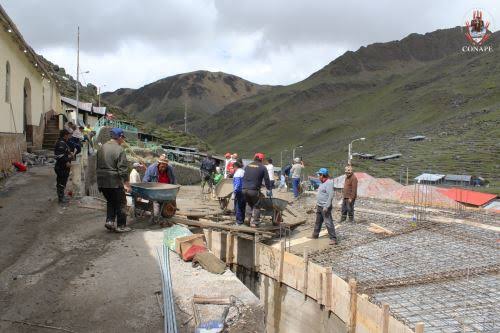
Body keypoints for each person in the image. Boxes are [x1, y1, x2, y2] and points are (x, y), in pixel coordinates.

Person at [96, 128, 131, 232]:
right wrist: (126, 183)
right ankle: (121, 226)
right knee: (121, 202)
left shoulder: (101, 148)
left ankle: (110, 221)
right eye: (122, 138)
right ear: (119, 137)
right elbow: (123, 169)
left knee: (110, 201)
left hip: (102, 181)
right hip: (114, 182)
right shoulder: (119, 150)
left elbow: (97, 164)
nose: (123, 140)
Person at [143, 155, 176, 222]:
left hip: (166, 192)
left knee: (168, 210)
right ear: (158, 163)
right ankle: (155, 218)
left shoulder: (170, 169)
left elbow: (173, 180)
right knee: (155, 213)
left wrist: (173, 192)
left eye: (165, 165)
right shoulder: (151, 169)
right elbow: (145, 181)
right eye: (162, 165)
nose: (164, 167)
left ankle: (163, 215)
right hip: (155, 193)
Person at [242, 153, 272, 227]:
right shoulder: (262, 167)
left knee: (249, 203)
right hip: (253, 190)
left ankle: (247, 218)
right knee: (257, 205)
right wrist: (268, 189)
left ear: (254, 158)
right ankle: (255, 222)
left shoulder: (247, 166)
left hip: (244, 189)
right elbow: (267, 179)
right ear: (261, 159)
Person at [311, 168, 337, 245]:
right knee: (318, 222)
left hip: (325, 207)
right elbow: (321, 194)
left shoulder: (329, 183)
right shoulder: (322, 183)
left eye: (319, 175)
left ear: (322, 175)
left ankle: (333, 239)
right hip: (319, 206)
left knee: (328, 222)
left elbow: (330, 196)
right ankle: (315, 235)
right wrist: (317, 204)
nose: (318, 176)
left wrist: (327, 206)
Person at [53, 129, 73, 203]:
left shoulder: (64, 142)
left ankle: (62, 197)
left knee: (63, 182)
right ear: (65, 135)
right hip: (61, 166)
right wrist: (67, 161)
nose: (69, 136)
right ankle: (61, 199)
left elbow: (64, 152)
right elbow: (59, 155)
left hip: (63, 167)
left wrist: (69, 153)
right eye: (68, 135)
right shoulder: (61, 143)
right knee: (61, 182)